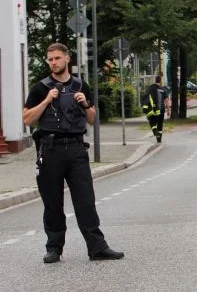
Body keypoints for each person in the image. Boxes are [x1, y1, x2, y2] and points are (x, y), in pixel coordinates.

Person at [22, 43, 124, 263]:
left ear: (68, 59)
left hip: (77, 148)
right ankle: (54, 248)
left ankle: (97, 247)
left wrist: (86, 104)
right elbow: (28, 119)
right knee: (52, 201)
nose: (53, 62)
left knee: (86, 199)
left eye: (57, 58)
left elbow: (92, 118)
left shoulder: (80, 85)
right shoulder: (40, 88)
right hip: (50, 150)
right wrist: (47, 100)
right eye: (50, 59)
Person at [143, 76, 169, 143]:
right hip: (161, 109)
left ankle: (155, 131)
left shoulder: (150, 88)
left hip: (152, 109)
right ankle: (159, 139)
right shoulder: (163, 89)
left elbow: (146, 98)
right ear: (160, 81)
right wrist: (168, 110)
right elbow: (166, 101)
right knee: (160, 124)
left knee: (152, 122)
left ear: (155, 80)